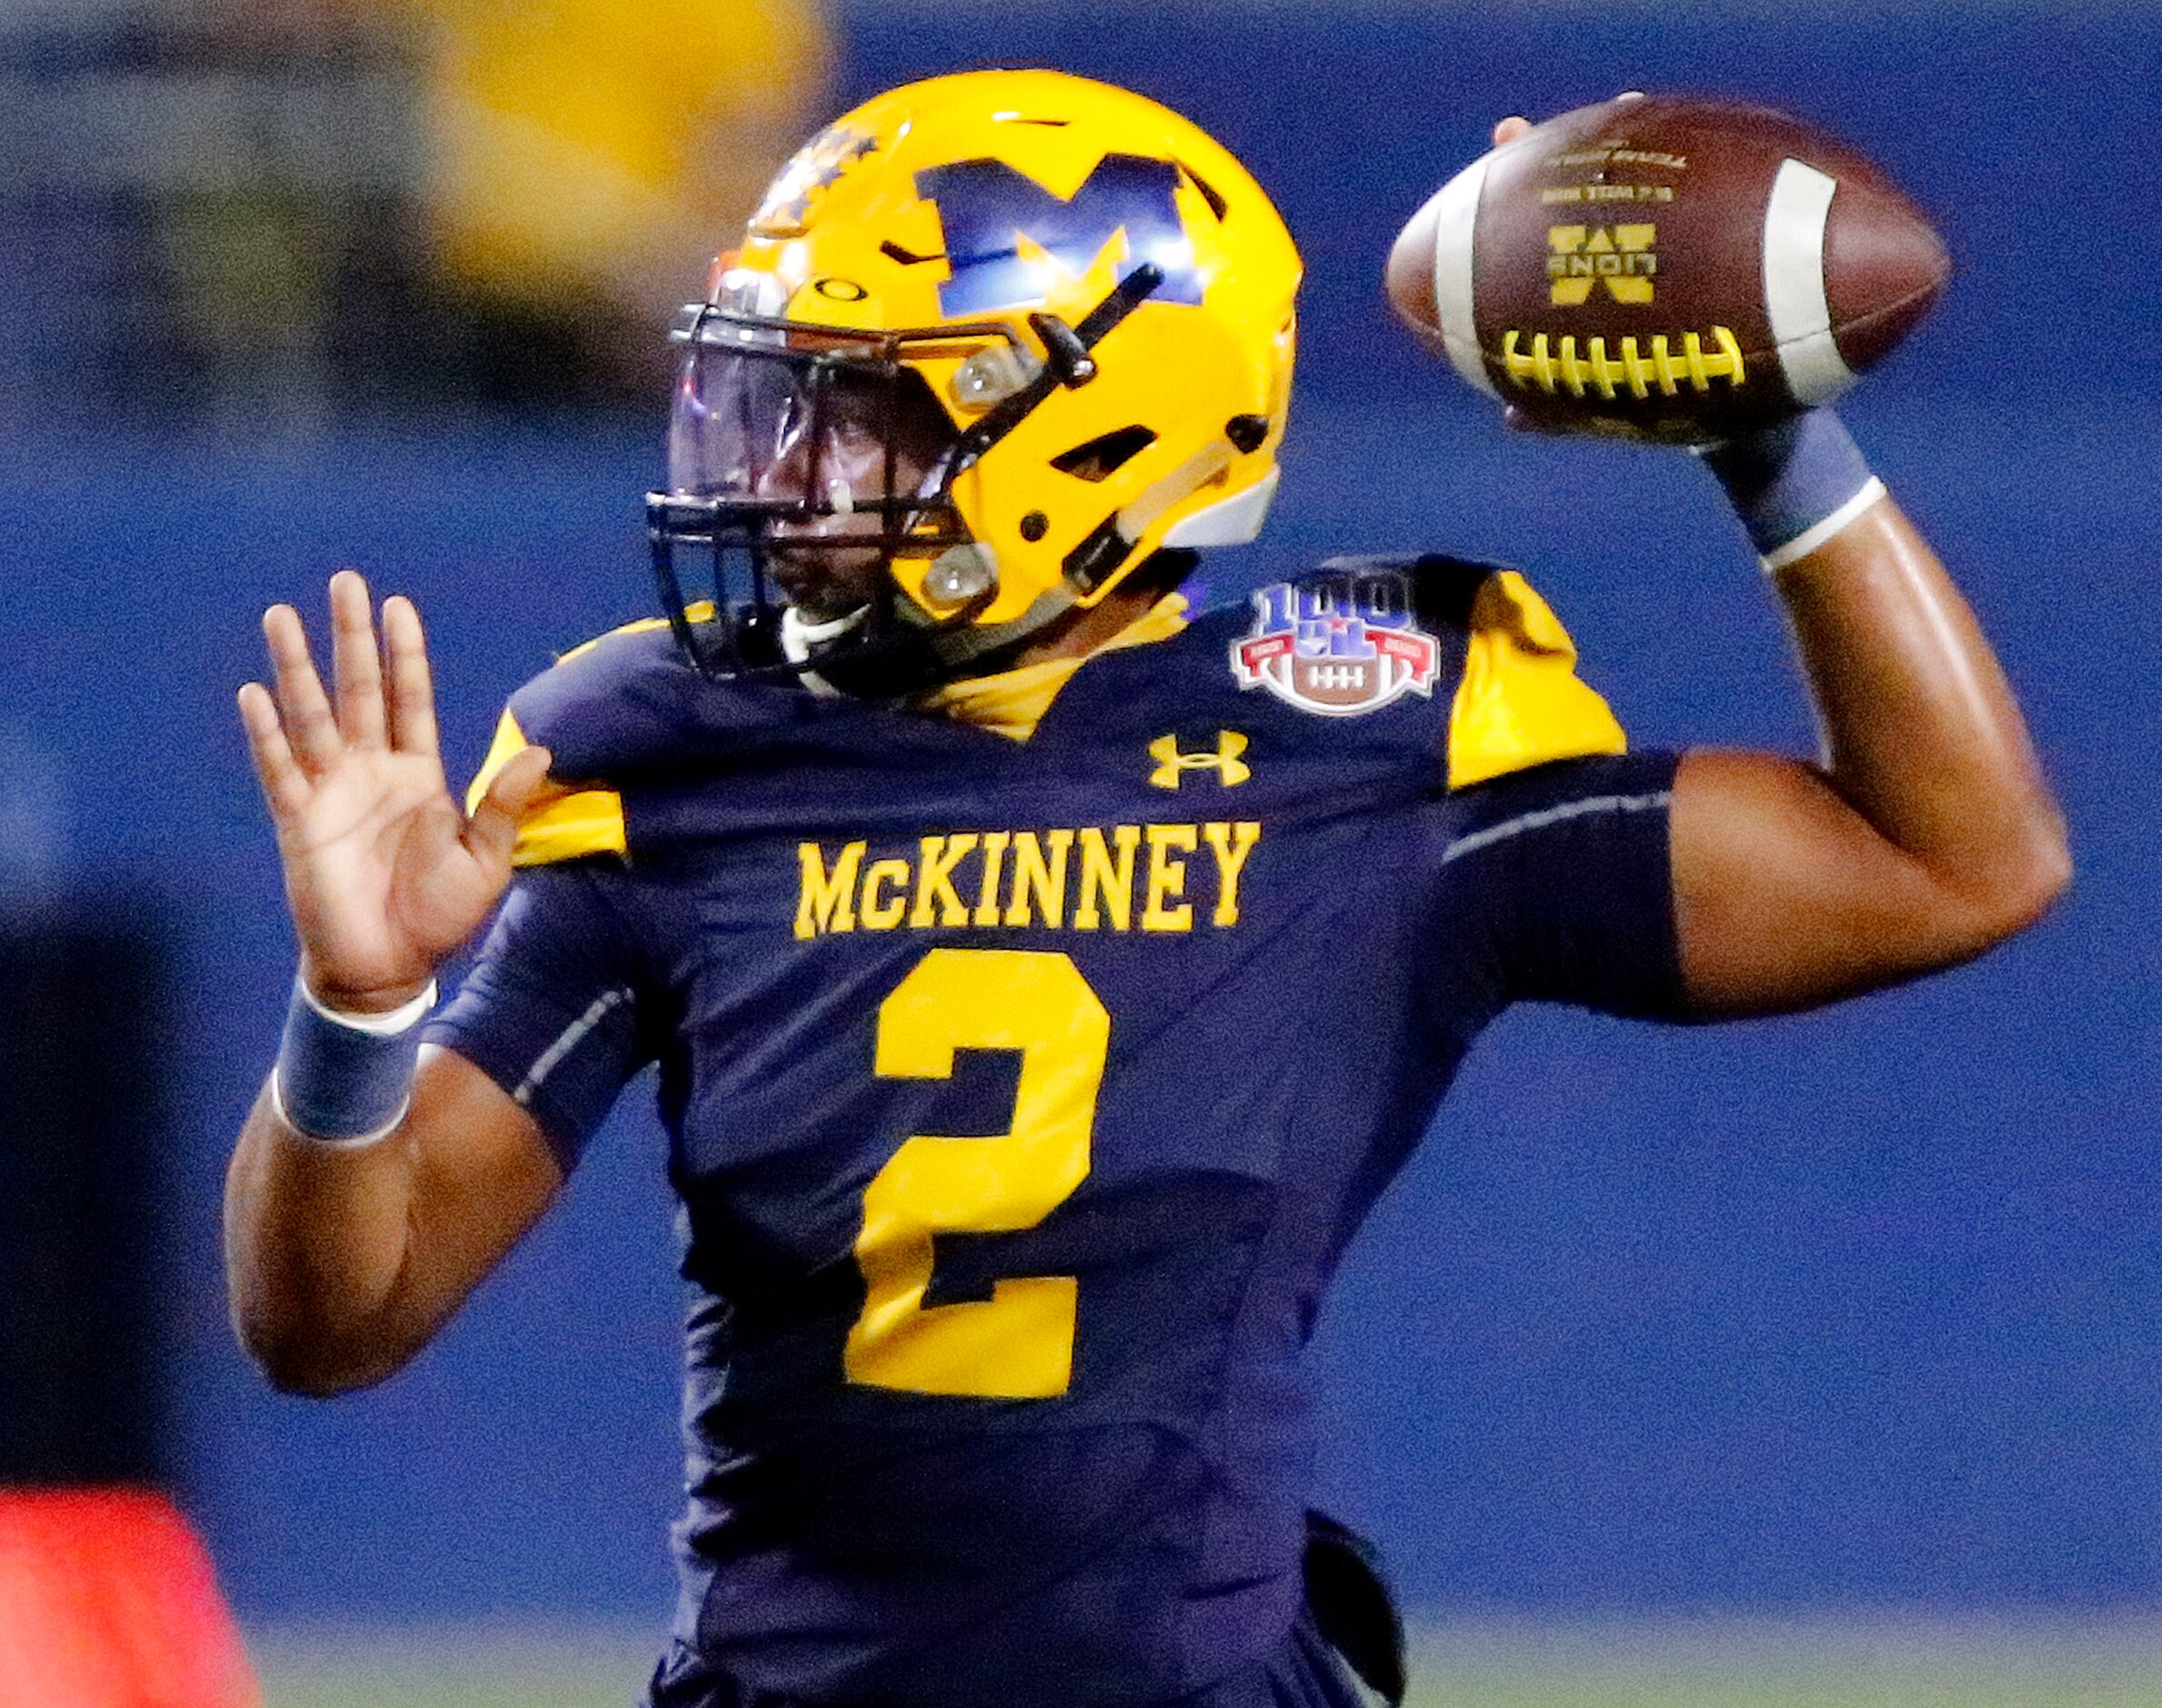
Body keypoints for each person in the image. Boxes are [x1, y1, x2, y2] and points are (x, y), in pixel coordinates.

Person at [225, 71, 2068, 1708]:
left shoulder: (1356, 742)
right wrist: (358, 1007)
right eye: (777, 404)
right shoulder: (670, 754)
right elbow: (331, 1323)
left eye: (868, 410)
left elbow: (1950, 862)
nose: (789, 477)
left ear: (1094, 436)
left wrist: (1766, 433)